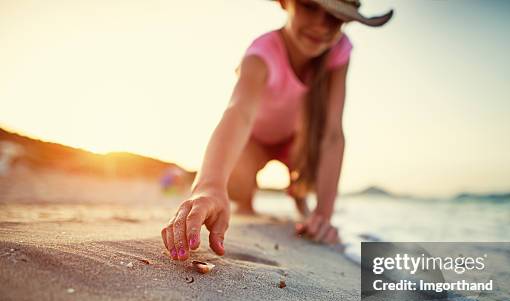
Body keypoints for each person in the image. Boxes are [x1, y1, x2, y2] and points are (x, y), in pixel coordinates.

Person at [161, 0, 393, 261]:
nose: (321, 24)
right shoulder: (262, 52)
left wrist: (324, 216)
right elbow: (239, 113)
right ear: (286, 3)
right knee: (239, 189)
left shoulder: (339, 49)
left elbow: (332, 134)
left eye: (334, 17)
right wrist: (211, 186)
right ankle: (239, 192)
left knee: (307, 187)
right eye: (309, 6)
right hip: (254, 141)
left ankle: (299, 198)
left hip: (296, 142)